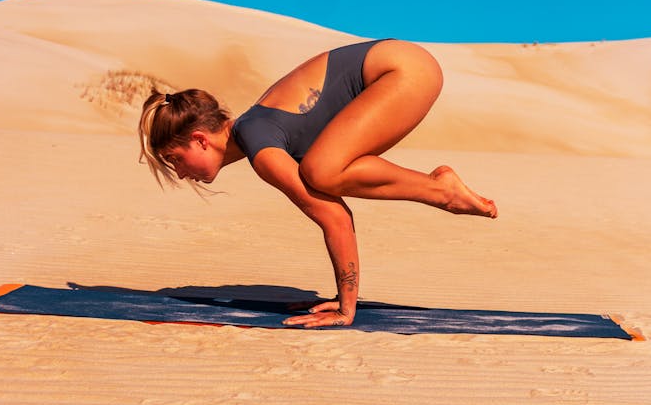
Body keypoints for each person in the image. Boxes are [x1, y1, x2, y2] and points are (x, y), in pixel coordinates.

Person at [138, 38, 497, 328]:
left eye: (175, 160)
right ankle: (439, 187)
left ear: (200, 139)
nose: (181, 174)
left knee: (322, 171)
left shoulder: (261, 146)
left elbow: (334, 217)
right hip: (404, 64)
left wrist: (347, 308)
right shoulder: (259, 133)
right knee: (329, 167)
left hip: (401, 69)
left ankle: (440, 189)